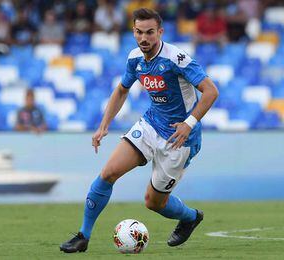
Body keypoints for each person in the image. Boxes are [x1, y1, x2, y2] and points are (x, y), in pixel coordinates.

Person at [60, 8, 218, 253]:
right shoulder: (135, 58)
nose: (144, 38)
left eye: (149, 33)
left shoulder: (176, 59)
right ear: (133, 31)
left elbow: (211, 91)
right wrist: (103, 126)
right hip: (150, 125)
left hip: (179, 139)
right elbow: (122, 90)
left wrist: (189, 124)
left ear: (160, 32)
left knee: (153, 203)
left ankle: (190, 217)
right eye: (139, 32)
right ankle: (83, 236)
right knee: (108, 173)